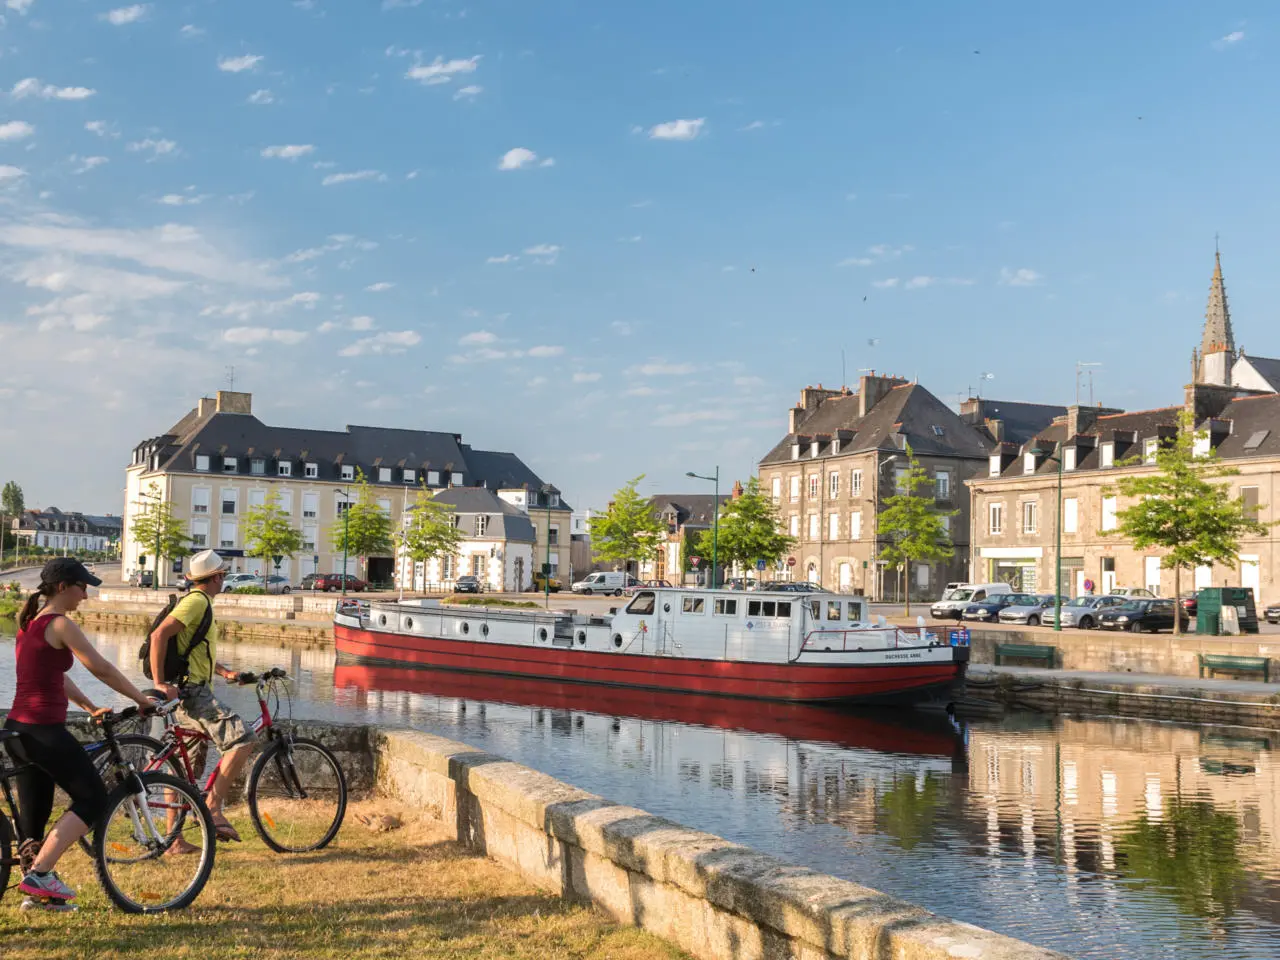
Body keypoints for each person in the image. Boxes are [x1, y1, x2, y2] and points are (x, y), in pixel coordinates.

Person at [3, 558, 156, 908]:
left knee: (34, 816)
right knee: (94, 799)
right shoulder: (60, 624)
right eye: (81, 587)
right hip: (43, 731)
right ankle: (41, 875)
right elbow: (100, 667)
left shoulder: (30, 622)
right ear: (62, 587)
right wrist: (140, 699)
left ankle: (38, 895)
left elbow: (54, 676)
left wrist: (88, 706)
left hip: (18, 731)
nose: (85, 595)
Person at [148, 549, 252, 844]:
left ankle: (174, 840)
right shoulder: (196, 602)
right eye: (223, 575)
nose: (224, 580)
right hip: (193, 693)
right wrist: (159, 683)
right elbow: (159, 636)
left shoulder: (198, 602)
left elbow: (191, 650)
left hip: (190, 690)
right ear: (217, 577)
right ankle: (213, 807)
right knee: (242, 739)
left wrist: (224, 672)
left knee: (185, 768)